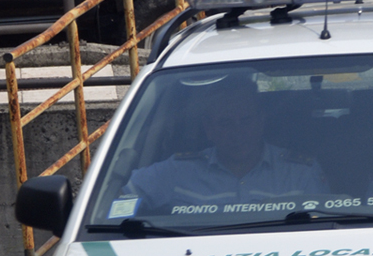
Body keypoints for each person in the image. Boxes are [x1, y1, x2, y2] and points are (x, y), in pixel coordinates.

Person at [120, 76, 327, 213]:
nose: (237, 133)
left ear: (261, 121)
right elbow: (118, 198)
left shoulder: (299, 173)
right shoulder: (178, 171)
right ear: (208, 128)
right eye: (225, 123)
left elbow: (324, 227)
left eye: (245, 121)